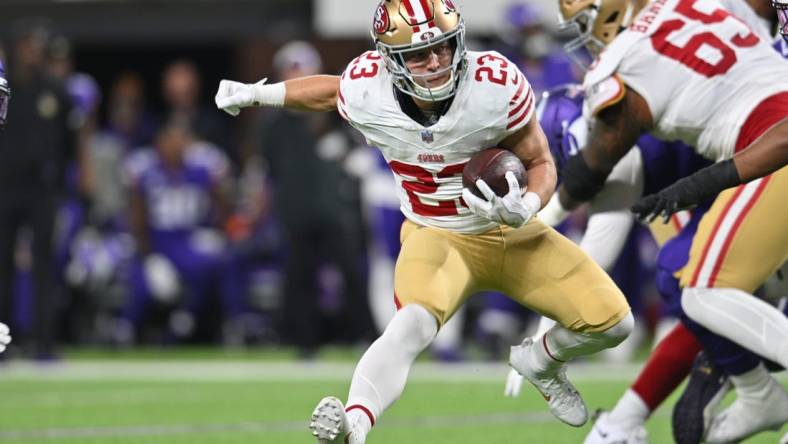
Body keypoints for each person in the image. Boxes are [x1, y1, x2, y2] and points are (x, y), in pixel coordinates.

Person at [216, 1, 634, 442]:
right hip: (437, 234)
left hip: (512, 231)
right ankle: (354, 423)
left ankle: (541, 362)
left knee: (614, 323)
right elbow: (328, 92)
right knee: (410, 325)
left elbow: (540, 162)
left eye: (444, 47)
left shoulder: (493, 83)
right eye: (419, 54)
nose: (436, 62)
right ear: (389, 60)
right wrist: (258, 94)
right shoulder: (367, 89)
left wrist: (528, 204)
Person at [555, 0, 788, 441]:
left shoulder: (634, 63)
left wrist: (548, 212)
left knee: (697, 283)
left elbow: (606, 191)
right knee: (685, 276)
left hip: (763, 137)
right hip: (750, 137)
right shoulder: (694, 20)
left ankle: (736, 384)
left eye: (585, 24)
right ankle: (746, 388)